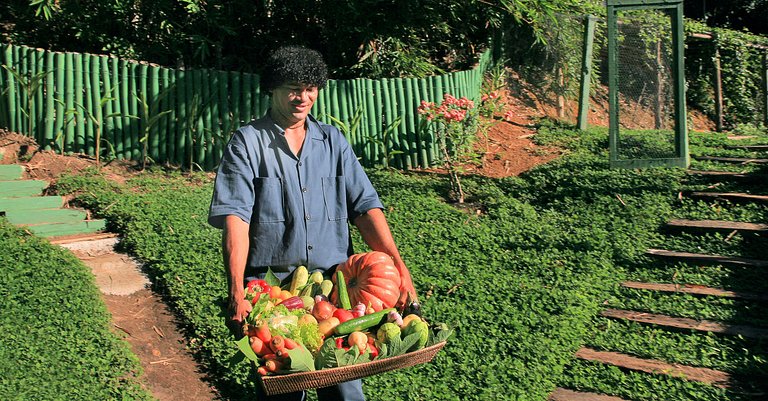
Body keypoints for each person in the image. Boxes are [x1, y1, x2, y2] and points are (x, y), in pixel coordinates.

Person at [207, 45, 417, 401]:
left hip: (337, 288)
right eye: (292, 87)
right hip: (273, 292)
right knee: (284, 387)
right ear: (270, 88)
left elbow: (365, 207)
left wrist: (399, 266)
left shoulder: (332, 141)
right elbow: (236, 220)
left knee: (346, 388)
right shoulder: (248, 143)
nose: (302, 97)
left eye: (311, 88)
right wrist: (237, 291)